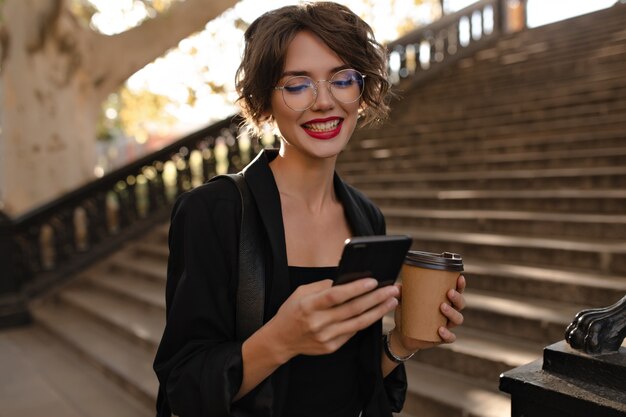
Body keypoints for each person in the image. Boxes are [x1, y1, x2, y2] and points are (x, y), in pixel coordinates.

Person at [153, 2, 466, 416]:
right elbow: (182, 386)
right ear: (265, 100)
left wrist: (401, 343)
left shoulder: (367, 219)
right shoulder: (212, 212)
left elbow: (350, 384)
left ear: (362, 91)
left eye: (343, 79)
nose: (324, 102)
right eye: (298, 85)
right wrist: (281, 339)